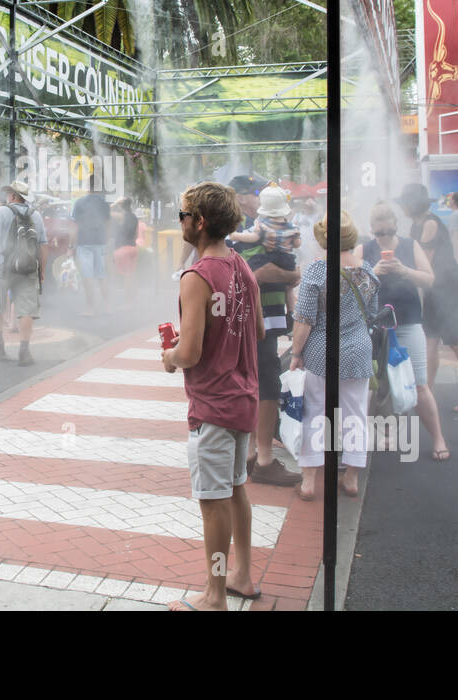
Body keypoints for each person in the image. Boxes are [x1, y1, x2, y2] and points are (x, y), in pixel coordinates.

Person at [161, 182, 263, 611]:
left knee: (213, 503)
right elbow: (256, 331)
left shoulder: (196, 276)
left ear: (199, 222)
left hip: (213, 405)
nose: (180, 222)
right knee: (236, 489)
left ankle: (215, 594)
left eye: (183, 216)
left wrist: (169, 355)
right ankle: (242, 575)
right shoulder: (241, 266)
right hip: (244, 399)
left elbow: (190, 353)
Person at [289, 211, 378, 499]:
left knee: (314, 412)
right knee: (355, 415)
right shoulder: (368, 270)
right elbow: (373, 314)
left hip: (320, 351)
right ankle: (351, 478)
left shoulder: (317, 271)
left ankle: (309, 482)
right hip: (358, 350)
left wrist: (295, 352)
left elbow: (304, 319)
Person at [357, 202, 450, 461]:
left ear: (396, 225)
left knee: (419, 385)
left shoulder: (410, 245)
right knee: (370, 384)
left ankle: (438, 438)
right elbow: (352, 285)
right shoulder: (364, 248)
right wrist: (374, 271)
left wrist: (404, 270)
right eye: (378, 233)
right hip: (373, 325)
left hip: (408, 322)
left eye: (387, 230)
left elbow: (429, 280)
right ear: (372, 230)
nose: (383, 237)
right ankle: (365, 442)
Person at [227, 175, 301, 488]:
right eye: (254, 193)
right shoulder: (239, 233)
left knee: (258, 381)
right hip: (250, 321)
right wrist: (279, 273)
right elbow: (238, 277)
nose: (257, 199)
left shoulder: (259, 230)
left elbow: (289, 271)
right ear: (242, 198)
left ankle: (253, 453)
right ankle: (262, 458)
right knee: (262, 383)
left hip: (265, 319)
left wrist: (287, 274)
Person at [397, 183, 458, 413]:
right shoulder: (416, 225)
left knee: (456, 340)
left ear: (411, 205)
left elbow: (422, 263)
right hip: (435, 288)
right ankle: (426, 392)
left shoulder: (429, 224)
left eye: (404, 203)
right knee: (430, 339)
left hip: (447, 286)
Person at [0, 181, 48, 365]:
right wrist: (41, 270)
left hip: (3, 267)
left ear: (12, 196)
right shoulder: (36, 215)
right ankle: (24, 352)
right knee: (26, 309)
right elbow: (43, 245)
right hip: (28, 268)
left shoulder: (3, 211)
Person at [71, 180, 112, 316]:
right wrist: (107, 242)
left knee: (87, 276)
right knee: (102, 275)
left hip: (84, 242)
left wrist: (72, 246)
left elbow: (75, 226)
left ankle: (91, 308)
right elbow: (107, 225)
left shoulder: (79, 203)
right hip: (100, 243)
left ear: (87, 187)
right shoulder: (104, 203)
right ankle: (107, 306)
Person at [111, 197, 140, 283]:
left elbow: (106, 211)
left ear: (121, 206)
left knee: (117, 272)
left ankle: (125, 295)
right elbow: (136, 235)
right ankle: (132, 295)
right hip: (133, 248)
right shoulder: (135, 217)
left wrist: (115, 202)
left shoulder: (122, 216)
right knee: (131, 274)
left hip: (122, 248)